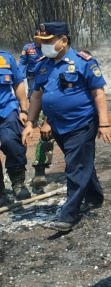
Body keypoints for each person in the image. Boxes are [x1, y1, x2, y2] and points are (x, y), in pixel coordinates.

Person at [21, 22, 111, 231]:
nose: (43, 45)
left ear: (63, 41)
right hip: (58, 125)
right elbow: (36, 96)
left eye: (48, 41)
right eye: (42, 42)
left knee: (75, 167)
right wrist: (30, 123)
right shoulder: (43, 64)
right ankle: (95, 196)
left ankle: (68, 215)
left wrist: (104, 123)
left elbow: (99, 93)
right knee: (82, 162)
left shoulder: (83, 62)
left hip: (81, 123)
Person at [20, 34, 54, 188]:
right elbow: (39, 96)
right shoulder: (38, 61)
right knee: (45, 135)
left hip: (70, 112)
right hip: (36, 85)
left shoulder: (76, 62)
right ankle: (39, 170)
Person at [0, 49, 30, 206]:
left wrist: (24, 109)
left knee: (12, 142)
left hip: (6, 109)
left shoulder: (6, 57)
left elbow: (18, 83)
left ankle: (18, 184)